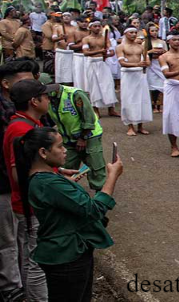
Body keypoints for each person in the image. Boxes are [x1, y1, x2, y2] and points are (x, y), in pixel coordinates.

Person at [16, 127, 123, 302]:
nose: (65, 150)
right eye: (60, 147)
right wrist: (112, 176)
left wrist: (65, 183)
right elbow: (93, 210)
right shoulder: (49, 184)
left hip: (68, 253)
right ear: (43, 152)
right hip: (67, 257)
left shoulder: (45, 179)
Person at [4, 80, 59, 301]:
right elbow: (19, 173)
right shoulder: (21, 128)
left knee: (32, 258)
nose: (49, 99)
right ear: (34, 101)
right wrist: (49, 180)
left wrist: (57, 170)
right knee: (37, 262)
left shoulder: (27, 123)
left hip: (32, 202)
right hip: (33, 205)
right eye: (45, 96)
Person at [0, 62, 35, 302]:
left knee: (23, 235)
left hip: (20, 185)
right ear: (6, 84)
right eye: (25, 80)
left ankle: (24, 281)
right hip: (4, 184)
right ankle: (11, 287)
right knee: (8, 238)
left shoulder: (20, 109)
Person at [47, 84, 107, 191]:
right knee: (66, 165)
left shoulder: (75, 95)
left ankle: (101, 196)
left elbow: (89, 119)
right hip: (68, 138)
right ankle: (68, 193)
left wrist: (83, 138)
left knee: (95, 165)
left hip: (89, 136)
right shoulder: (47, 98)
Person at [116, 27, 153, 136]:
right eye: (131, 32)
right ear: (125, 34)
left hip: (140, 75)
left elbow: (148, 61)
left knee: (142, 99)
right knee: (129, 100)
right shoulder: (120, 47)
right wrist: (137, 64)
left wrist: (146, 63)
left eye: (135, 33)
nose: (133, 34)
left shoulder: (141, 47)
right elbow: (122, 62)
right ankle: (130, 126)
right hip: (128, 75)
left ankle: (140, 126)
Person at [82, 20, 119, 117]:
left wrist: (106, 53)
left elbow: (112, 52)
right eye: (95, 26)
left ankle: (111, 109)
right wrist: (98, 51)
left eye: (99, 26)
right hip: (92, 64)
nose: (98, 28)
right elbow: (85, 52)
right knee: (94, 87)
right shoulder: (86, 39)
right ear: (90, 28)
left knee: (109, 85)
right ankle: (96, 110)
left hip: (103, 63)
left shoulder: (105, 38)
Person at [145, 23, 167, 113]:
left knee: (161, 84)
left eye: (156, 31)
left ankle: (159, 105)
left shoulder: (162, 42)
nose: (154, 32)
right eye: (152, 31)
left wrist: (162, 52)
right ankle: (152, 105)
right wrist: (151, 51)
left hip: (160, 63)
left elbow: (167, 52)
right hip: (151, 64)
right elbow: (143, 53)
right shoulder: (145, 42)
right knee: (152, 85)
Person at [70, 17, 90, 92]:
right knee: (79, 76)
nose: (84, 23)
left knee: (88, 75)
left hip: (89, 56)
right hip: (78, 56)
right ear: (78, 23)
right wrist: (82, 44)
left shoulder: (90, 32)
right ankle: (79, 92)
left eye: (86, 22)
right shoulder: (74, 32)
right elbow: (71, 46)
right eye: (82, 22)